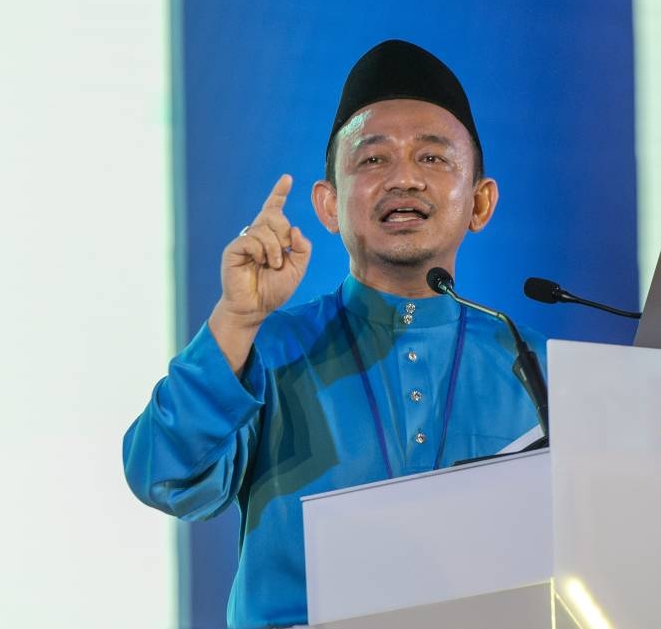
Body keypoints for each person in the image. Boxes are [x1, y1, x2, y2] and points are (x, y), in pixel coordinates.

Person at [123, 39, 547, 629]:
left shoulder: (538, 369)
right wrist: (237, 318)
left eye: (432, 158)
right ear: (329, 205)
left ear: (480, 202)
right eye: (373, 160)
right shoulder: (266, 350)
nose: (404, 179)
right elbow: (164, 476)